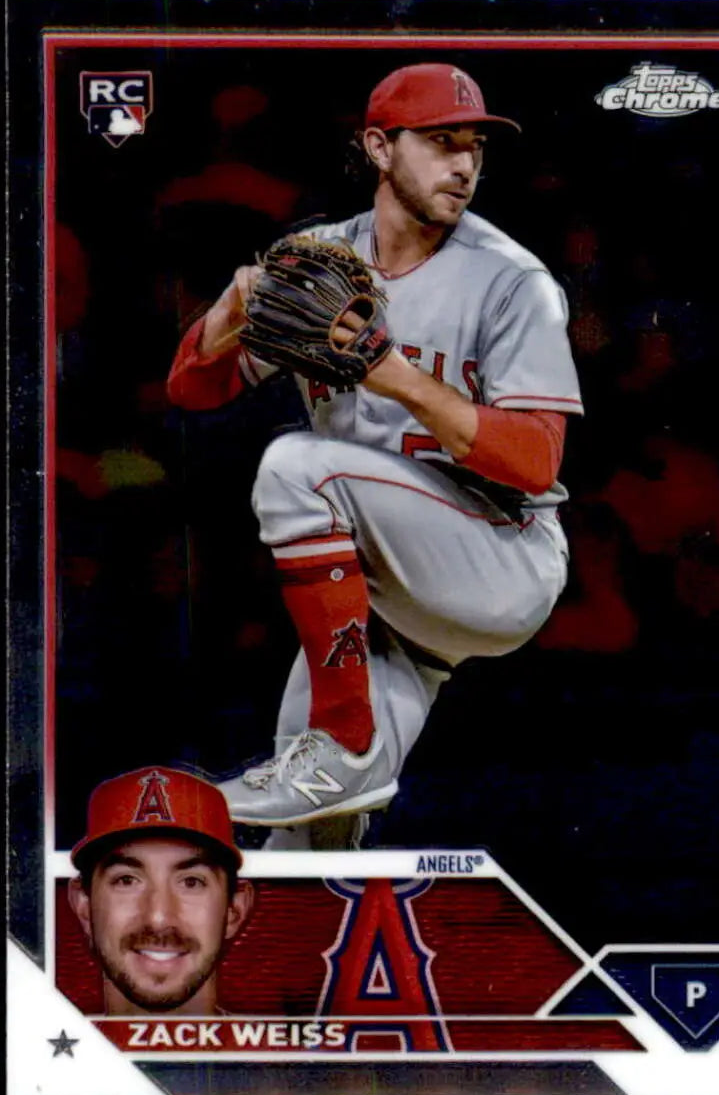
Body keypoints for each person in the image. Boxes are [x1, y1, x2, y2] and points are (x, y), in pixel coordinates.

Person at [167, 62, 583, 841]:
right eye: (440, 141)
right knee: (307, 818)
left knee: (296, 465)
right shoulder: (322, 261)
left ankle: (351, 743)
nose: (463, 164)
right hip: (384, 586)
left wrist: (398, 378)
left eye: (474, 147)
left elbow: (537, 463)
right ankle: (334, 799)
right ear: (379, 147)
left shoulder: (510, 280)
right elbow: (193, 390)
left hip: (498, 555)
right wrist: (228, 310)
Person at [68, 765, 253, 1015]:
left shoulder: (292, 1055)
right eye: (127, 880)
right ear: (83, 905)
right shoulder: (29, 1053)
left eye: (191, 882)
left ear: (235, 909)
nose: (158, 918)